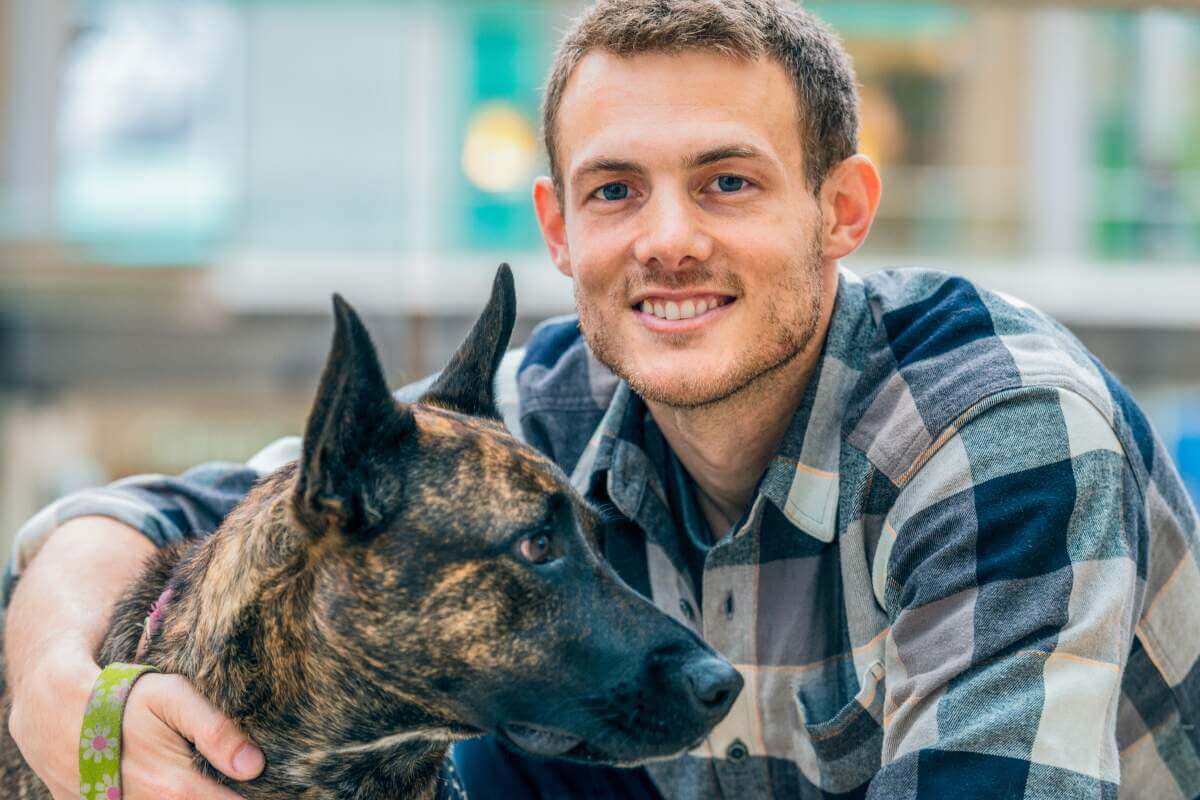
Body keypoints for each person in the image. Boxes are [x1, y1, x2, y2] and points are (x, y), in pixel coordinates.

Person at [6, 1, 1199, 798]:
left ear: (841, 209)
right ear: (559, 232)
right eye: (618, 190)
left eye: (727, 181)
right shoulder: (542, 406)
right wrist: (67, 692)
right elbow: (172, 513)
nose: (668, 240)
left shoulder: (995, 432)